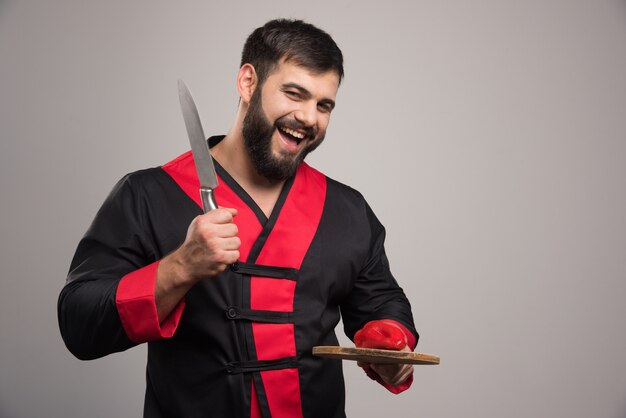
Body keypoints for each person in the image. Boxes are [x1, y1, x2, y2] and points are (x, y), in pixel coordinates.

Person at [58, 18, 418, 418]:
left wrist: (391, 347)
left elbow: (381, 304)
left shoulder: (347, 209)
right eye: (294, 94)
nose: (309, 118)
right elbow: (79, 324)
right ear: (248, 82)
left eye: (324, 105)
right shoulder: (148, 195)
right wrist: (180, 267)